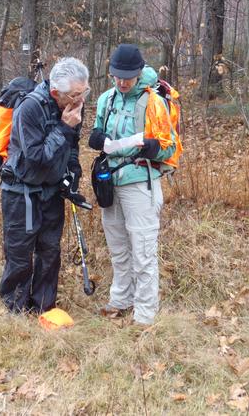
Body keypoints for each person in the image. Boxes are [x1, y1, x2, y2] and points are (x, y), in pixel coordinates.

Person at [89, 44, 176, 326]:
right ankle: (121, 298)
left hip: (140, 183)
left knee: (143, 250)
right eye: (117, 76)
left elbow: (169, 147)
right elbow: (97, 130)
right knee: (118, 247)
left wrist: (153, 147)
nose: (123, 82)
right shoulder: (106, 99)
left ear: (139, 74)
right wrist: (96, 139)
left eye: (128, 77)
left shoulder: (153, 103)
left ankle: (145, 313)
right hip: (110, 181)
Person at [0, 57, 90, 314]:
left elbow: (71, 147)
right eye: (74, 95)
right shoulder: (29, 108)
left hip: (52, 191)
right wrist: (64, 127)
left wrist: (73, 174)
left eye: (83, 93)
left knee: (50, 252)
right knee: (19, 254)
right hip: (21, 192)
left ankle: (43, 307)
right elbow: (36, 157)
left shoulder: (73, 107)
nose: (80, 101)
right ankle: (16, 310)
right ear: (55, 92)